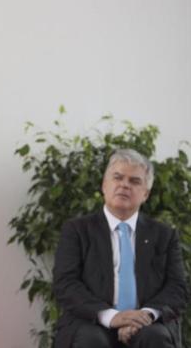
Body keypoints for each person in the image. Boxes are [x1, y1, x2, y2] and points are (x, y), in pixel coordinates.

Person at [52, 149, 188, 348]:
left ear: (146, 194)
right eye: (118, 177)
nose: (124, 184)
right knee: (91, 340)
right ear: (104, 185)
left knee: (155, 337)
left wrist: (144, 316)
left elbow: (177, 288)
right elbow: (65, 283)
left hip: (148, 323)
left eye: (134, 181)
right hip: (92, 321)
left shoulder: (164, 235)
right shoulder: (76, 230)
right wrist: (113, 317)